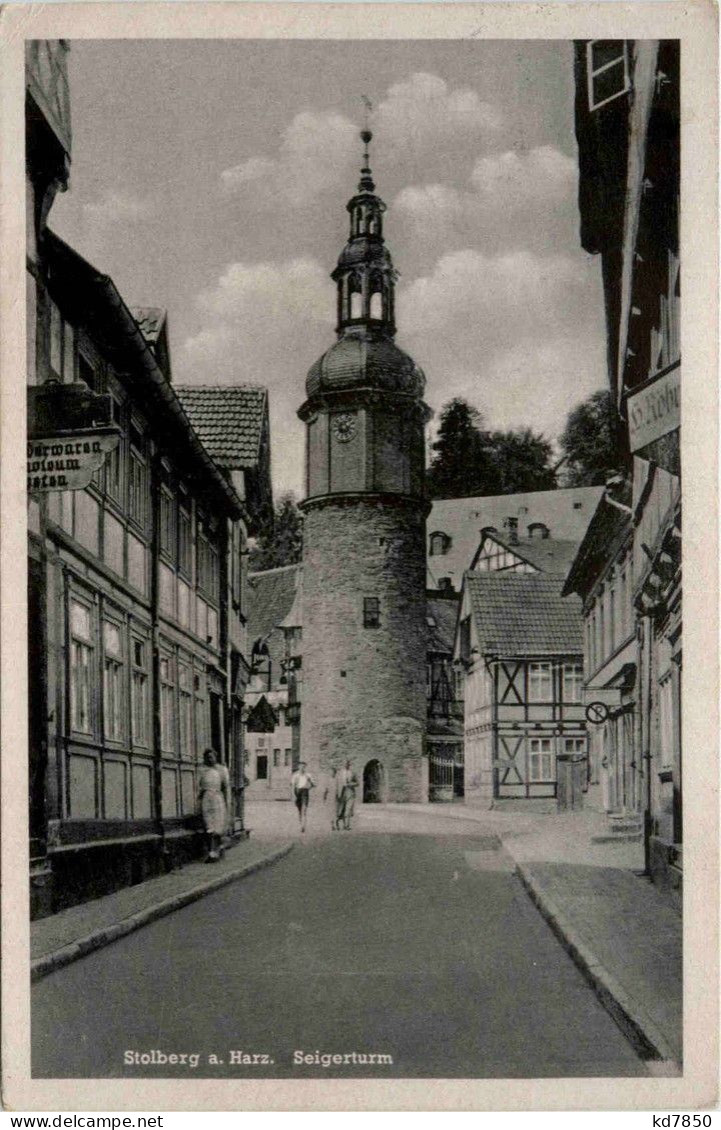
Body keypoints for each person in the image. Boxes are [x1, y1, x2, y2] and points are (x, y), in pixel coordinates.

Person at [198, 748, 229, 862]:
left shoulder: (221, 770)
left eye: (211, 757)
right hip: (206, 798)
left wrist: (225, 801)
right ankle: (213, 851)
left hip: (217, 798)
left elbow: (225, 786)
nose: (209, 759)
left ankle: (216, 851)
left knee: (217, 826)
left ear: (215, 757)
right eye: (207, 757)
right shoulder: (202, 770)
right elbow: (199, 785)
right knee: (208, 825)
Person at [290, 761, 315, 833]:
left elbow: (313, 784)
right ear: (298, 767)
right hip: (297, 792)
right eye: (301, 766)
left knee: (304, 810)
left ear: (305, 767)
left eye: (304, 767)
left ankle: (303, 826)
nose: (302, 768)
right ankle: (300, 824)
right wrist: (293, 795)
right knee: (299, 810)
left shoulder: (308, 775)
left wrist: (308, 787)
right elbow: (293, 786)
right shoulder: (295, 775)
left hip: (305, 792)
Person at [341, 760, 359, 830]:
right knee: (342, 809)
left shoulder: (352, 773)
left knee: (348, 809)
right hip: (341, 792)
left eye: (347, 764)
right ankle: (342, 824)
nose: (346, 765)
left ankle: (346, 825)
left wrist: (350, 784)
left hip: (350, 792)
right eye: (344, 764)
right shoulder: (340, 773)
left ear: (349, 765)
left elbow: (357, 783)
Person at [323, 766, 340, 831]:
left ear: (335, 773)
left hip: (336, 797)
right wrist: (324, 797)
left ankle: (337, 823)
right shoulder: (328, 780)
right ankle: (332, 825)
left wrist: (338, 795)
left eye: (333, 772)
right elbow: (326, 790)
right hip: (330, 797)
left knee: (336, 811)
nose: (332, 773)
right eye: (330, 772)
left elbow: (338, 789)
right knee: (331, 811)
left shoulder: (337, 780)